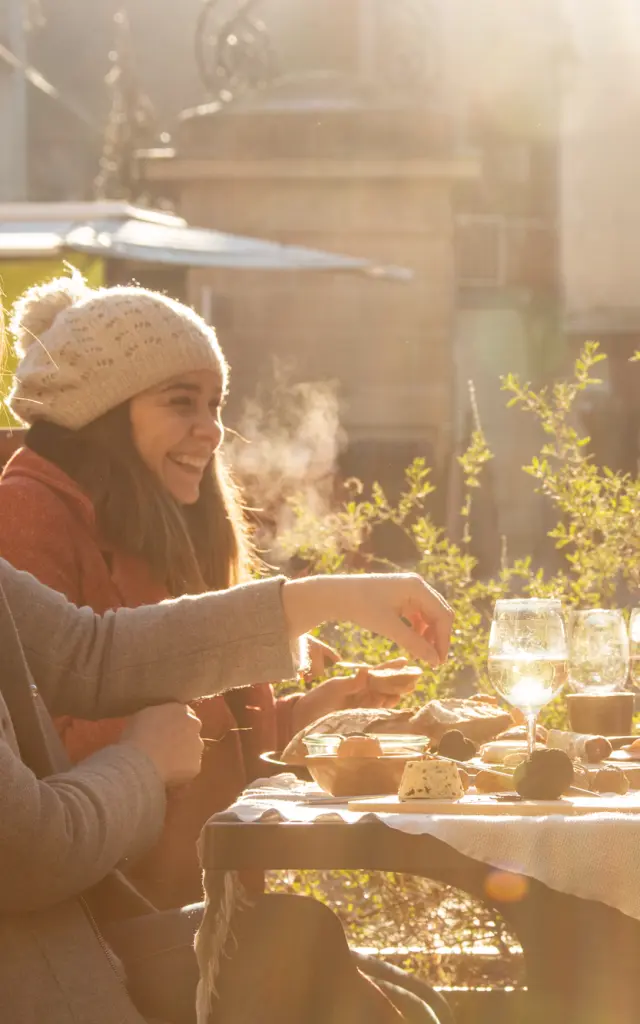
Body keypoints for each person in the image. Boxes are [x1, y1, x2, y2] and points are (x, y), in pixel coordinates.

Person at [0, 274, 421, 909]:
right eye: (181, 403)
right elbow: (46, 752)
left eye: (215, 405)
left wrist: (314, 717)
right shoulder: (25, 516)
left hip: (197, 906)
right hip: (112, 927)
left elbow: (200, 748)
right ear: (101, 411)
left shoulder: (157, 529)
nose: (213, 430)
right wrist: (158, 745)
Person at [0, 556, 453, 1023]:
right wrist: (144, 764)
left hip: (71, 944)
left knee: (299, 939)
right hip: (35, 978)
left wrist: (332, 598)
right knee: (297, 947)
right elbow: (26, 849)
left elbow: (88, 654)